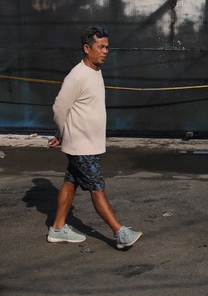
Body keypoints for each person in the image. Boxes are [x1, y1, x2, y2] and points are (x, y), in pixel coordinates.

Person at [45, 26, 142, 250]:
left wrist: (62, 135)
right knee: (97, 188)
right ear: (87, 48)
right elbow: (59, 108)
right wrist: (63, 132)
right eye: (101, 47)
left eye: (107, 47)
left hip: (86, 143)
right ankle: (120, 233)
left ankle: (58, 228)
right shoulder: (77, 75)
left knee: (71, 182)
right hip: (82, 145)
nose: (105, 51)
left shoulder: (95, 70)